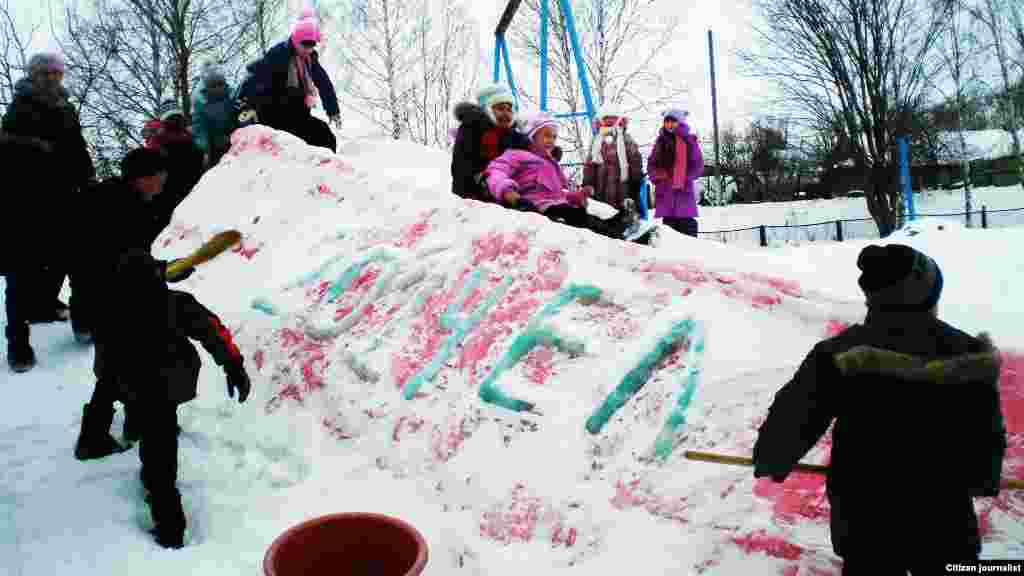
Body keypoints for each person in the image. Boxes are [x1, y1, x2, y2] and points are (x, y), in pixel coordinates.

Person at [753, 244, 1006, 575]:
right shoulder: (967, 353)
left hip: (865, 515)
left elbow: (798, 410)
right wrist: (983, 476)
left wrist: (774, 455)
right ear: (927, 295)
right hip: (943, 512)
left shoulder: (841, 352)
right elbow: (983, 427)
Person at [73, 148, 251, 549]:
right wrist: (233, 364)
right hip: (155, 372)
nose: (163, 184)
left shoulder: (131, 305)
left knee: (116, 382)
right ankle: (170, 528)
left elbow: (127, 266)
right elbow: (209, 327)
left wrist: (158, 270)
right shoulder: (118, 211)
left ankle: (98, 436)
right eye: (158, 177)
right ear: (142, 177)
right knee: (158, 448)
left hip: (116, 331)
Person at [2, 51, 95, 371]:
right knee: (20, 276)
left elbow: (78, 148)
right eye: (46, 74)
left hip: (66, 201)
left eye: (57, 74)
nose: (53, 79)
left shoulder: (66, 107)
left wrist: (88, 179)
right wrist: (38, 151)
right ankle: (18, 345)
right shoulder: (20, 108)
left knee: (80, 264)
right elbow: (10, 152)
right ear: (34, 76)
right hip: (26, 207)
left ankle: (84, 322)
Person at [485, 111, 630, 239]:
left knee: (580, 214)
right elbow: (495, 171)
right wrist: (507, 191)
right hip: (535, 206)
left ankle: (616, 228)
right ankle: (613, 234)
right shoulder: (516, 155)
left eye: (554, 137)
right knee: (576, 216)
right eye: (547, 136)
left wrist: (575, 196)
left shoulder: (550, 163)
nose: (552, 141)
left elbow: (557, 193)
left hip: (555, 205)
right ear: (531, 135)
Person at [236, 8, 341, 152]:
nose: (309, 49)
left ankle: (325, 170)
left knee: (325, 137)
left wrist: (332, 110)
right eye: (305, 45)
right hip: (276, 114)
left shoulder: (309, 59)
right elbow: (257, 78)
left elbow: (324, 83)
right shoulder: (279, 55)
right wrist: (248, 105)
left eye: (312, 45)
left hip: (297, 113)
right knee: (303, 143)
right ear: (296, 40)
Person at [451, 83, 531, 202]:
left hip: (505, 186)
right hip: (474, 190)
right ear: (487, 110)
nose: (506, 113)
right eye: (500, 109)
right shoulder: (473, 128)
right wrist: (475, 184)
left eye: (509, 110)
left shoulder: (513, 134)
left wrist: (549, 152)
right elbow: (462, 162)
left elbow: (529, 151)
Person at [582, 106, 646, 239]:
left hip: (622, 189)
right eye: (606, 118)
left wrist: (635, 182)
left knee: (622, 220)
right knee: (603, 221)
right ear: (602, 121)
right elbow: (590, 164)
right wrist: (587, 183)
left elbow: (635, 161)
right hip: (601, 189)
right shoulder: (597, 140)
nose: (610, 121)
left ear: (619, 120)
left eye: (613, 118)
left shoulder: (626, 139)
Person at [647, 108, 703, 237]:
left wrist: (684, 177)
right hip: (666, 192)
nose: (670, 124)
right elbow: (651, 165)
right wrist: (660, 176)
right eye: (667, 121)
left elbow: (698, 165)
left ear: (680, 122)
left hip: (684, 193)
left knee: (687, 231)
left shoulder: (689, 141)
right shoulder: (660, 142)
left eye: (673, 121)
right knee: (669, 234)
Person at [191, 62, 237, 167]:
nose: (217, 88)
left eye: (220, 84)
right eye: (213, 85)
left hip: (235, 138)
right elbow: (200, 128)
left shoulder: (233, 94)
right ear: (207, 86)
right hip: (214, 144)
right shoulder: (199, 100)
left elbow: (239, 116)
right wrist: (204, 150)